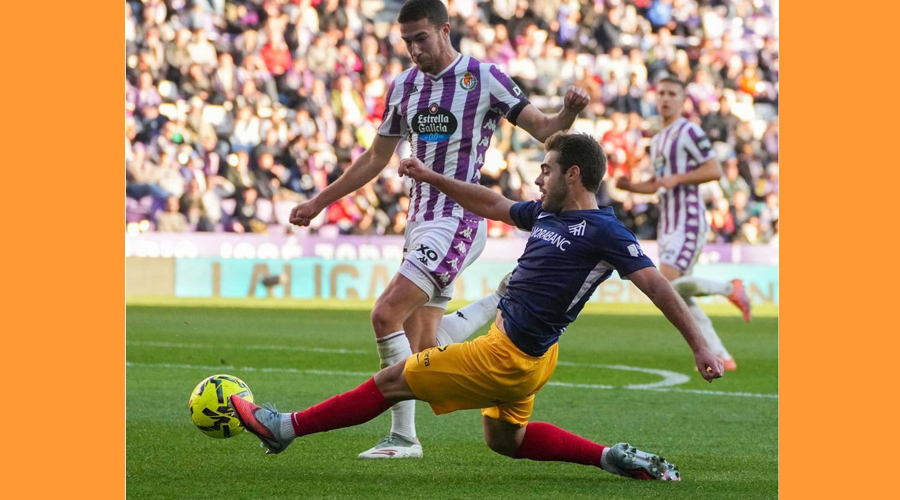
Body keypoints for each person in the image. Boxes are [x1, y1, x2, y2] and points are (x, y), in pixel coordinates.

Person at [231, 132, 724, 482]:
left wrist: (702, 346)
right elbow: (490, 203)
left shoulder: (605, 231)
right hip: (526, 355)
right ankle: (612, 457)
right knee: (504, 441)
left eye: (546, 169)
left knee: (391, 380)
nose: (537, 178)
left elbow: (658, 286)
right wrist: (430, 176)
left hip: (507, 357)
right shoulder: (548, 216)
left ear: (573, 174)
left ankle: (284, 428)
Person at [288, 0, 591, 459]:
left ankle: (403, 437)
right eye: (406, 42)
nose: (413, 50)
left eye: (421, 39)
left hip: (459, 218)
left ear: (445, 30)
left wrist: (567, 112)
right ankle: (496, 301)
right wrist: (319, 201)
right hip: (421, 221)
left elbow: (545, 130)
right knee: (423, 345)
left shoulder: (483, 77)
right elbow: (375, 157)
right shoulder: (404, 86)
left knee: (385, 314)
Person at [615, 76, 751, 371]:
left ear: (682, 100)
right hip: (668, 223)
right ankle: (722, 356)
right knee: (678, 294)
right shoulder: (659, 138)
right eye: (660, 93)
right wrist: (631, 187)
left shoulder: (688, 131)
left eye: (671, 94)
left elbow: (713, 169)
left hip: (688, 219)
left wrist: (678, 178)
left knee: (666, 285)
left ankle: (729, 288)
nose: (664, 98)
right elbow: (658, 184)